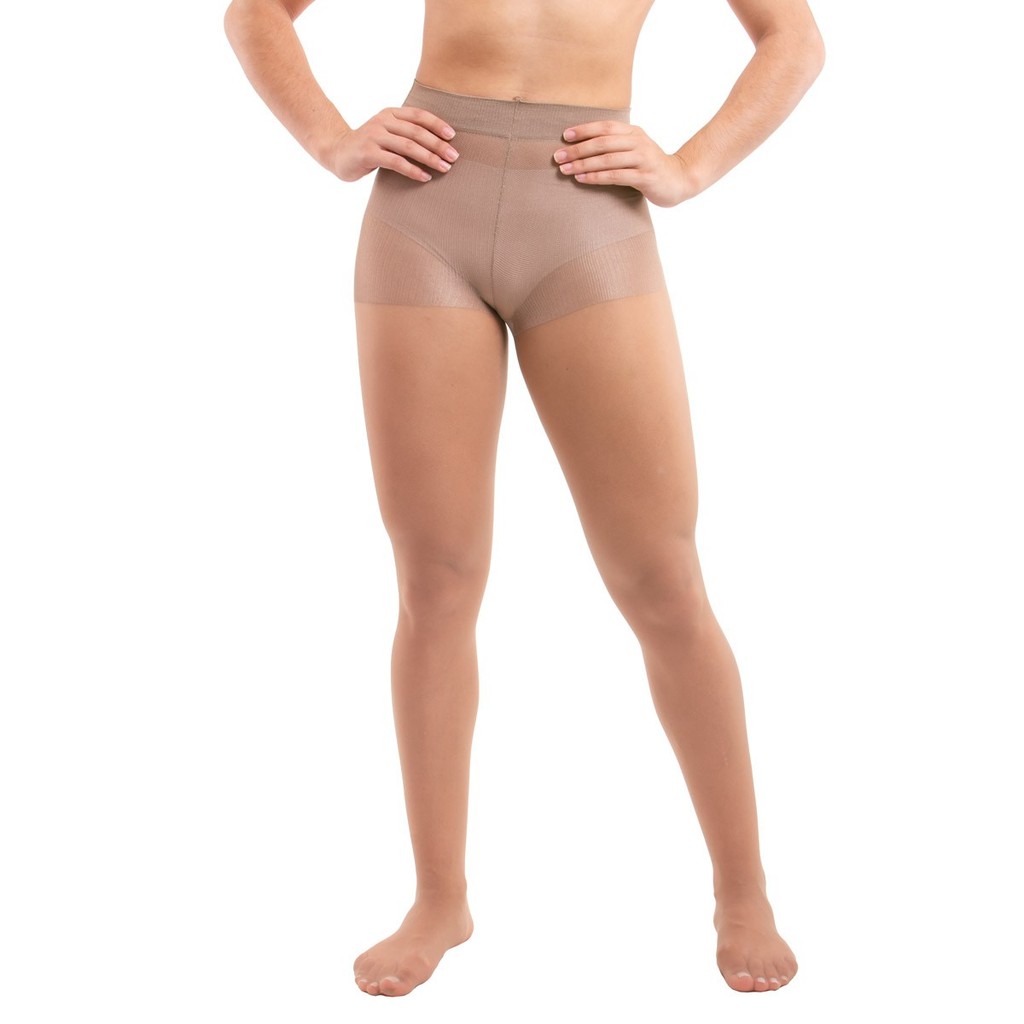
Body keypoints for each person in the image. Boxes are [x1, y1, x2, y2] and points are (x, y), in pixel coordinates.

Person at [224, 0, 824, 998]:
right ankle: (438, 898)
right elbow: (256, 14)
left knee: (663, 580)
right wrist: (331, 140)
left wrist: (690, 166)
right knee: (435, 580)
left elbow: (793, 38)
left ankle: (742, 890)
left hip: (584, 214)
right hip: (425, 211)